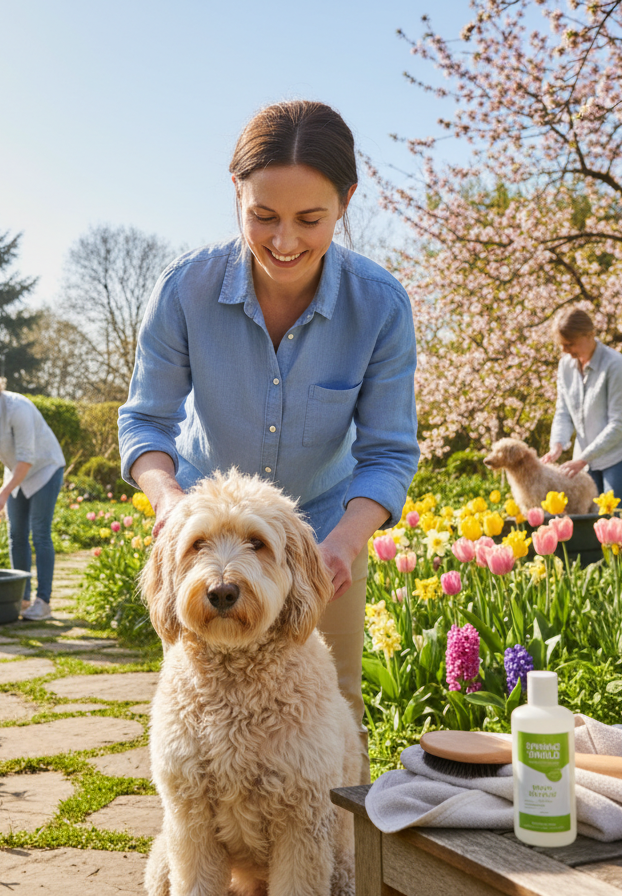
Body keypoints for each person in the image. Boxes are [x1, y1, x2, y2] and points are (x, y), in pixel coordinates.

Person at [118, 100, 420, 775]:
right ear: (236, 194)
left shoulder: (380, 306)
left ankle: (338, 870)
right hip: (206, 539)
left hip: (324, 535)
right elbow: (145, 419)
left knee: (332, 712)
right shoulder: (184, 292)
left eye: (310, 220)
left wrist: (343, 540)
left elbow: (389, 451)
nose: (284, 241)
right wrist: (169, 501)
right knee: (201, 715)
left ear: (345, 202)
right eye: (263, 217)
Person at [0, 360, 66, 622]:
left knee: (39, 532)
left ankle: (43, 601)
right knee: (16, 534)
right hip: (16, 472)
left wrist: (4, 492)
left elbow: (27, 457)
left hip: (44, 469)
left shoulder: (18, 408)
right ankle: (21, 598)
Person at [540, 308, 622, 509]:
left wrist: (582, 459)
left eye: (570, 344)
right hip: (585, 461)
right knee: (588, 524)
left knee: (615, 525)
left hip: (620, 455)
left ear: (589, 335)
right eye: (561, 345)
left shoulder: (615, 365)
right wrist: (557, 445)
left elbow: (618, 423)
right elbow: (563, 411)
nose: (565, 350)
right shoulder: (566, 366)